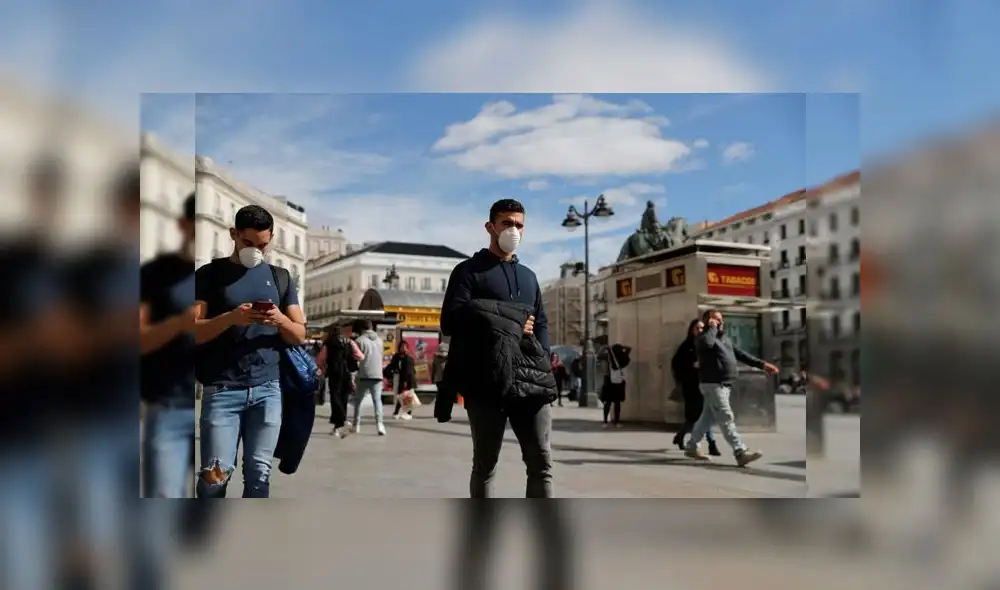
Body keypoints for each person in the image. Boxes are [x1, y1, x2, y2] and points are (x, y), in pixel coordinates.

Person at [437, 198, 557, 498]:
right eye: (507, 223)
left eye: (519, 225)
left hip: (529, 383)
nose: (513, 230)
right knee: (486, 464)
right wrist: (509, 320)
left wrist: (541, 357)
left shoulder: (529, 277)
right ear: (490, 226)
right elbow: (451, 321)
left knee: (541, 462)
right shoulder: (468, 272)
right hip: (485, 382)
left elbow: (540, 322)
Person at [193, 204, 307, 498]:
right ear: (234, 234)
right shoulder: (209, 275)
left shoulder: (281, 277)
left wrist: (279, 318)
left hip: (268, 388)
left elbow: (299, 333)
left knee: (259, 475)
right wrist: (232, 317)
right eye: (249, 243)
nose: (256, 251)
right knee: (215, 476)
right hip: (222, 389)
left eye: (263, 245)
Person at [140, 192, 198, 497]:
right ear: (183, 225)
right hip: (169, 407)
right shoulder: (154, 274)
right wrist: (178, 324)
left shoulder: (218, 277)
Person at [685, 309, 779, 466]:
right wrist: (712, 328)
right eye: (715, 320)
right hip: (713, 384)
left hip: (723, 385)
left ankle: (692, 447)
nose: (720, 323)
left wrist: (762, 365)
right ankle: (740, 451)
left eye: (721, 320)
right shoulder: (703, 338)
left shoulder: (724, 339)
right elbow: (708, 343)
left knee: (706, 419)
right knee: (726, 417)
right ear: (708, 322)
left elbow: (741, 355)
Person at [670, 319, 720, 456]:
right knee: (697, 416)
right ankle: (711, 443)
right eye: (697, 328)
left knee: (702, 415)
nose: (699, 330)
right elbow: (676, 364)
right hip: (691, 386)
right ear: (692, 330)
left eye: (702, 328)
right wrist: (691, 365)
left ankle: (682, 436)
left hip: (706, 384)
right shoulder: (686, 346)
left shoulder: (705, 344)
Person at [317, 324, 363, 438]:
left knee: (335, 397)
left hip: (334, 372)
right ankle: (339, 425)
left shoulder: (328, 343)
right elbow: (360, 356)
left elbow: (320, 359)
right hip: (346, 372)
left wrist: (322, 369)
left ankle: (341, 422)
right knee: (343, 398)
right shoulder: (349, 341)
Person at [349, 319, 387, 435]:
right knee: (377, 401)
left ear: (362, 329)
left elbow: (356, 359)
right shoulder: (380, 341)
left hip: (363, 374)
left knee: (358, 401)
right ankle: (380, 425)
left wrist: (352, 376)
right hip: (377, 374)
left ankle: (356, 425)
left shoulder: (359, 340)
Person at [600, 343, 631, 428]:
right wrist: (622, 347)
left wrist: (606, 348)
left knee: (608, 403)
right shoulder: (623, 358)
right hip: (619, 382)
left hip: (609, 382)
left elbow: (599, 355)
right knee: (617, 403)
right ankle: (617, 422)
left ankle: (605, 421)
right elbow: (629, 348)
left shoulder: (608, 357)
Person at [386, 340, 418, 420]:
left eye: (405, 347)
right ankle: (397, 412)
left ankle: (408, 413)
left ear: (407, 348)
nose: (403, 348)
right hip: (400, 378)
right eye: (401, 346)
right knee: (401, 396)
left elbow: (410, 371)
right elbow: (392, 366)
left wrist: (406, 381)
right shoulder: (396, 357)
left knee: (408, 396)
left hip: (408, 379)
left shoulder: (408, 358)